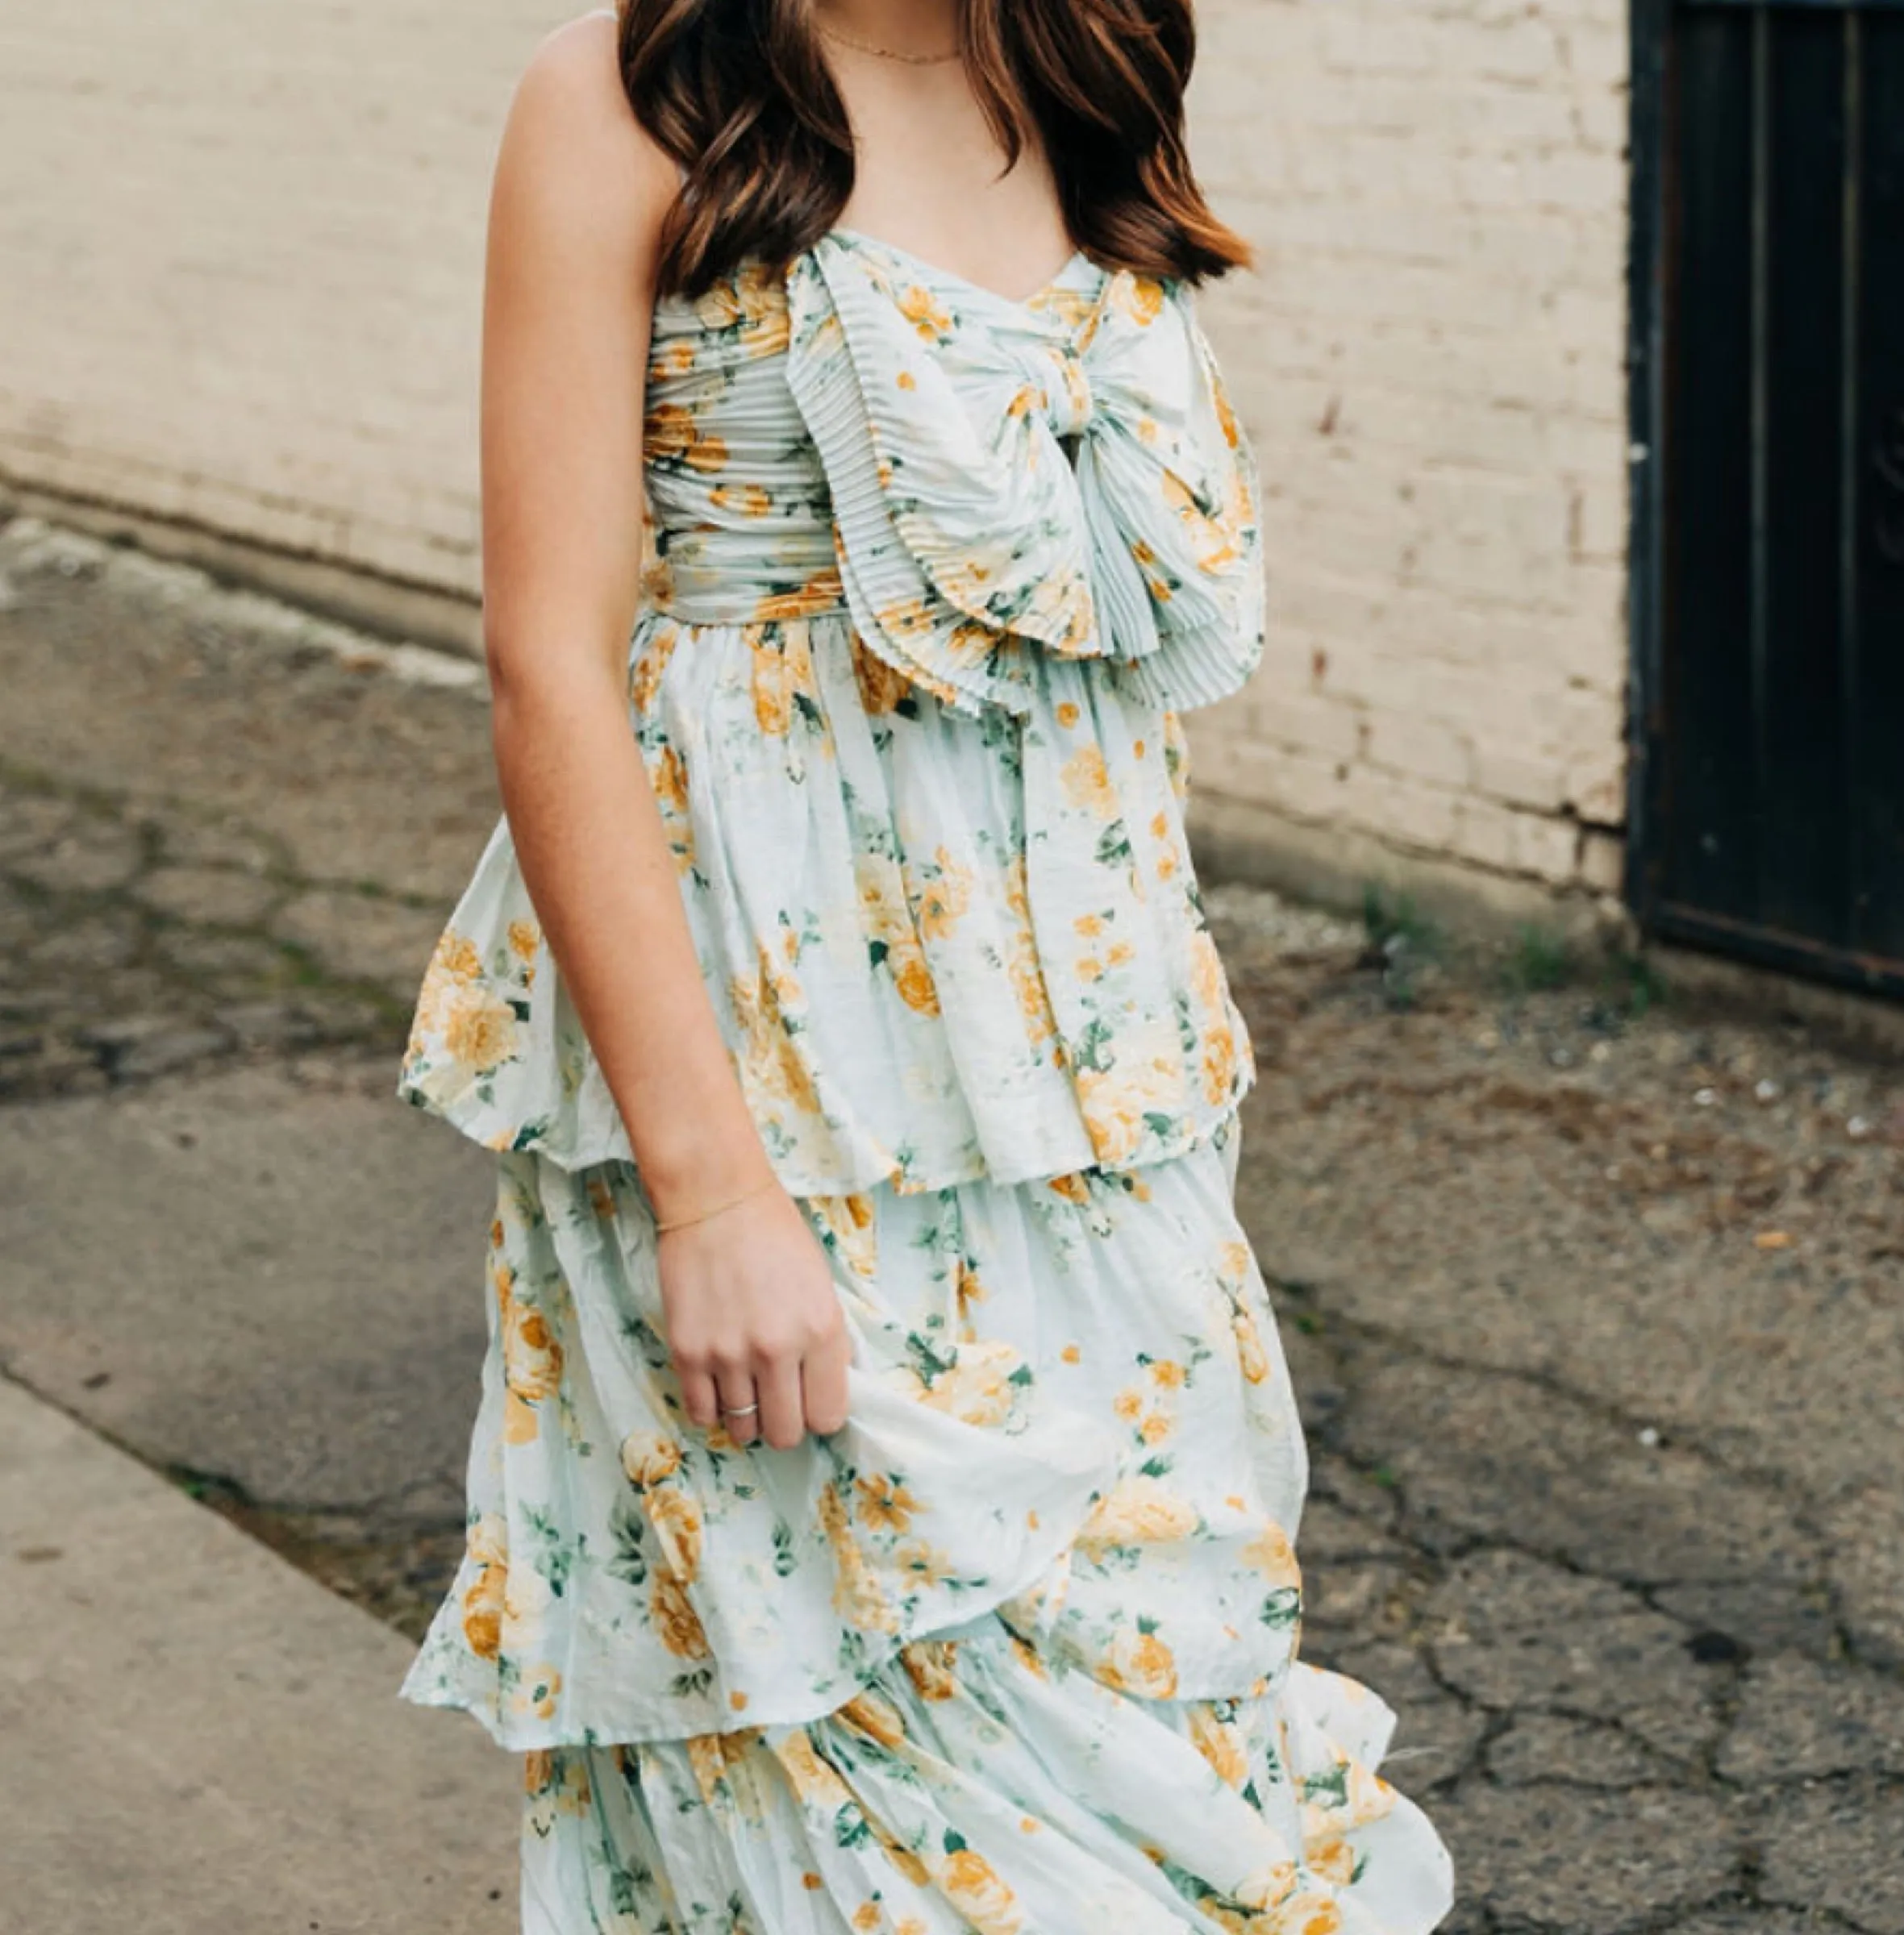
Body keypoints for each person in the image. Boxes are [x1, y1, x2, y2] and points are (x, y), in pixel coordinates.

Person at [396, 1, 1456, 1929]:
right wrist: (710, 1195)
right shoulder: (634, 98)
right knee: (846, 1754)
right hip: (764, 1079)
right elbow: (551, 663)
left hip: (1084, 1093)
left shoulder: (1085, 70)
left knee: (1154, 1718)